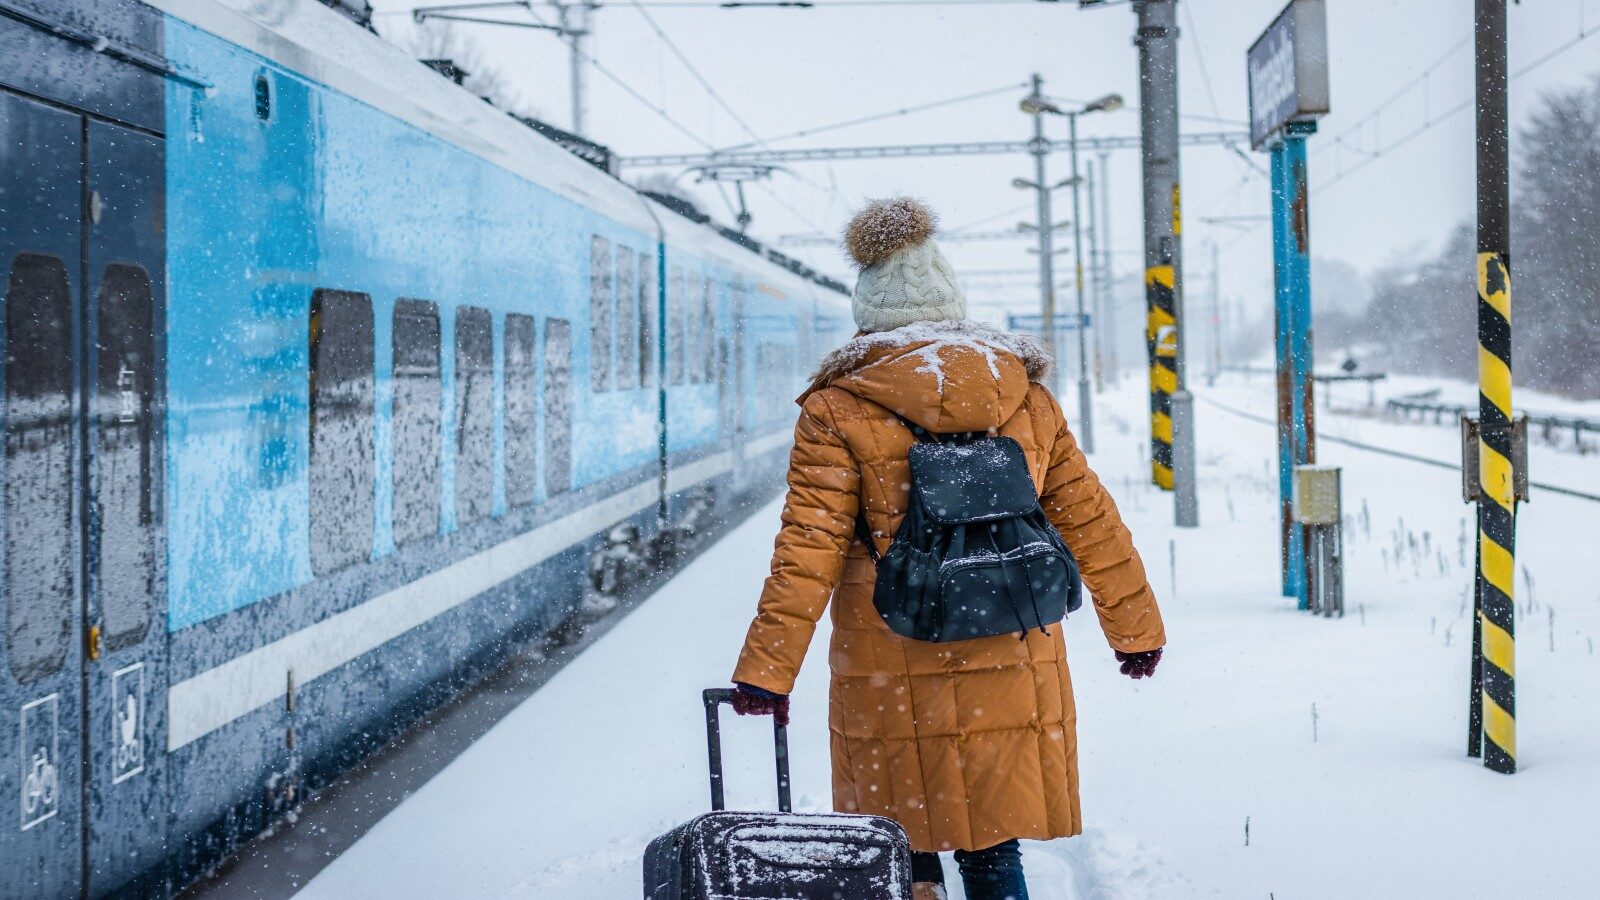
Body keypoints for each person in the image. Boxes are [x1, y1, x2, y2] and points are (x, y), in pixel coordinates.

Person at [728, 197, 1166, 900]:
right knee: (992, 849)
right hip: (1010, 641)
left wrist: (766, 674)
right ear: (952, 302)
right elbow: (1093, 523)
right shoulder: (1024, 394)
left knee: (903, 850)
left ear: (867, 311)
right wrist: (1136, 631)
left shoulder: (837, 408)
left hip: (888, 657)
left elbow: (807, 551)